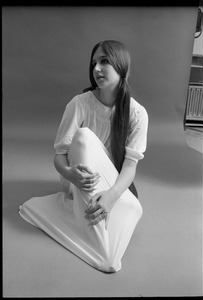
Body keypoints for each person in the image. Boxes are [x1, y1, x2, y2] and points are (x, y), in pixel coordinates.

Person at [19, 40, 148, 273]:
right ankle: (101, 249)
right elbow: (59, 156)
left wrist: (110, 197)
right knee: (85, 137)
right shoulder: (79, 104)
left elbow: (129, 168)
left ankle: (77, 215)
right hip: (76, 179)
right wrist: (70, 173)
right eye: (94, 63)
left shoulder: (137, 113)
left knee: (135, 208)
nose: (97, 68)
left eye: (105, 61)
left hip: (109, 184)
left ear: (122, 67)